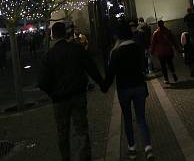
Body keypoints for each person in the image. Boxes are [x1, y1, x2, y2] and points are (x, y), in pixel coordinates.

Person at [39, 22, 106, 161]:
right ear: (65, 33)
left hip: (59, 101)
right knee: (81, 130)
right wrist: (102, 84)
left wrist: (53, 93)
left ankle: (66, 158)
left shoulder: (49, 55)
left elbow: (42, 82)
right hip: (78, 96)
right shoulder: (77, 49)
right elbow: (91, 68)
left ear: (53, 36)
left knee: (62, 133)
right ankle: (84, 158)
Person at [103, 23, 155, 160]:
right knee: (141, 118)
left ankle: (132, 148)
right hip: (138, 86)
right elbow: (143, 66)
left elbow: (110, 74)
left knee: (127, 119)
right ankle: (148, 148)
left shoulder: (115, 52)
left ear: (118, 36)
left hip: (124, 89)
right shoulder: (137, 48)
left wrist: (104, 86)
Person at [149, 20, 179, 84]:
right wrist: (177, 47)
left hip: (160, 52)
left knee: (163, 66)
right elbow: (173, 40)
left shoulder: (156, 33)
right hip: (168, 50)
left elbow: (153, 43)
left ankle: (166, 79)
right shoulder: (168, 31)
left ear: (158, 25)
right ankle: (173, 74)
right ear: (163, 24)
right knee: (170, 63)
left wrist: (151, 51)